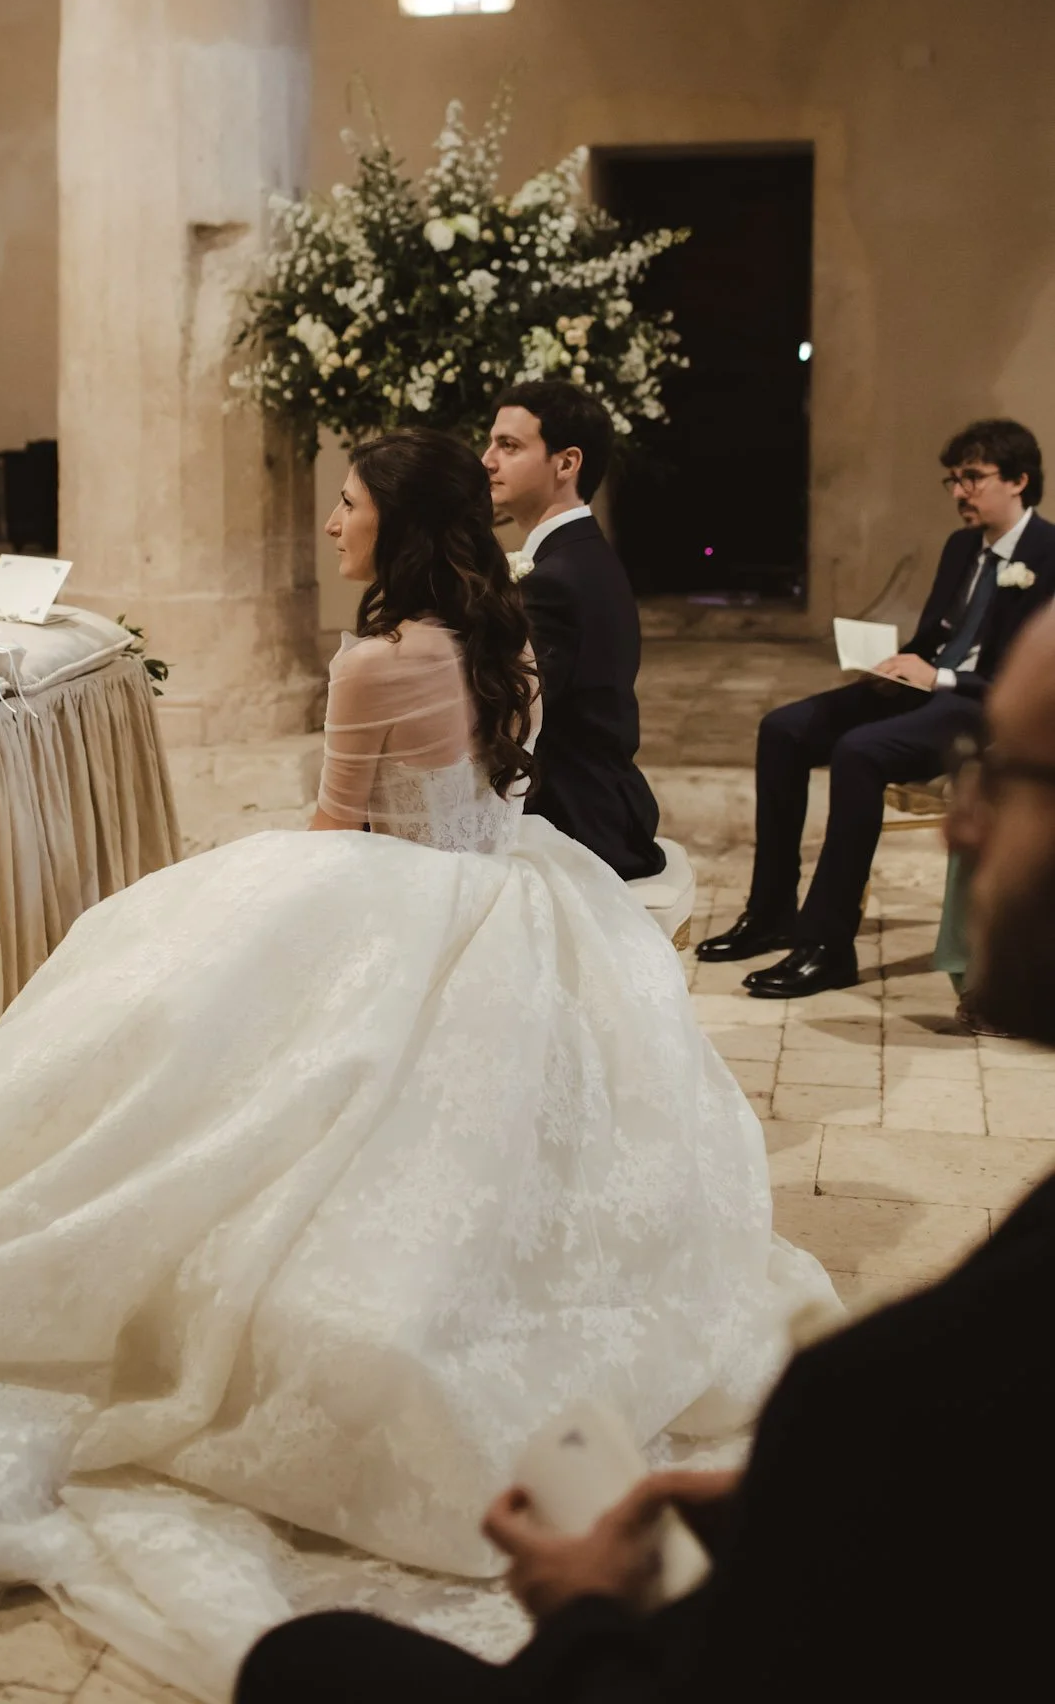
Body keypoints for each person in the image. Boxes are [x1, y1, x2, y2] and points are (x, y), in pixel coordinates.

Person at [0, 431, 833, 1702]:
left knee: (182, 1024)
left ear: (394, 524)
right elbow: (479, 797)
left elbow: (336, 828)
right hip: (514, 895)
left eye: (348, 501)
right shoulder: (501, 637)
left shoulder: (374, 656)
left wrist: (246, 907)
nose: (329, 520)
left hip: (397, 895)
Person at [236, 596, 1055, 1704]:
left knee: (301, 1661)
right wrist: (798, 1511)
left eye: (1005, 773)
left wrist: (584, 1609)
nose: (959, 824)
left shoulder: (905, 1388)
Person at [699, 417, 1055, 997]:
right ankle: (770, 914)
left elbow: (1025, 685)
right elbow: (935, 638)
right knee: (782, 729)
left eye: (973, 477)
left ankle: (827, 945)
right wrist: (891, 662)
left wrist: (938, 676)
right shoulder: (961, 546)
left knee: (860, 751)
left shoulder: (1050, 552)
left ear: (1018, 480)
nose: (960, 491)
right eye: (953, 480)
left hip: (980, 709)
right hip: (926, 686)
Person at [483, 381, 664, 880]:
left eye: (509, 446)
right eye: (492, 443)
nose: (487, 460)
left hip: (576, 820)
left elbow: (514, 714)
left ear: (566, 464)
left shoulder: (558, 578)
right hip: (603, 802)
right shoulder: (577, 555)